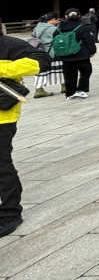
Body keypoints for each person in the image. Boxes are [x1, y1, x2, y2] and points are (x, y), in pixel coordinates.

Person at [0, 33, 46, 237]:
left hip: (2, 116)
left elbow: (42, 60)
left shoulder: (8, 44)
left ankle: (10, 211)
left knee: (1, 163)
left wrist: (5, 69)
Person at [31, 13, 61, 97]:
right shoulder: (54, 29)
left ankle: (39, 89)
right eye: (56, 19)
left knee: (41, 70)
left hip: (40, 52)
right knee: (60, 68)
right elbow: (59, 39)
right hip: (52, 52)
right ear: (52, 20)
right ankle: (64, 86)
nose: (57, 21)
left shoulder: (37, 27)